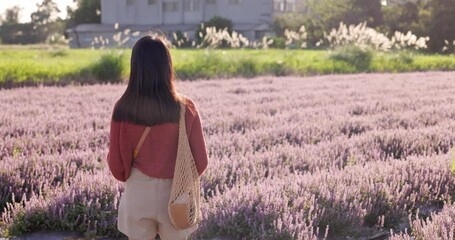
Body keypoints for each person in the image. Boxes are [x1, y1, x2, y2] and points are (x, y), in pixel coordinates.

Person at [106, 35, 208, 240]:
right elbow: (201, 162)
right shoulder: (185, 107)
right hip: (175, 194)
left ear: (135, 67)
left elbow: (117, 166)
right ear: (167, 65)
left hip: (138, 192)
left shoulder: (123, 107)